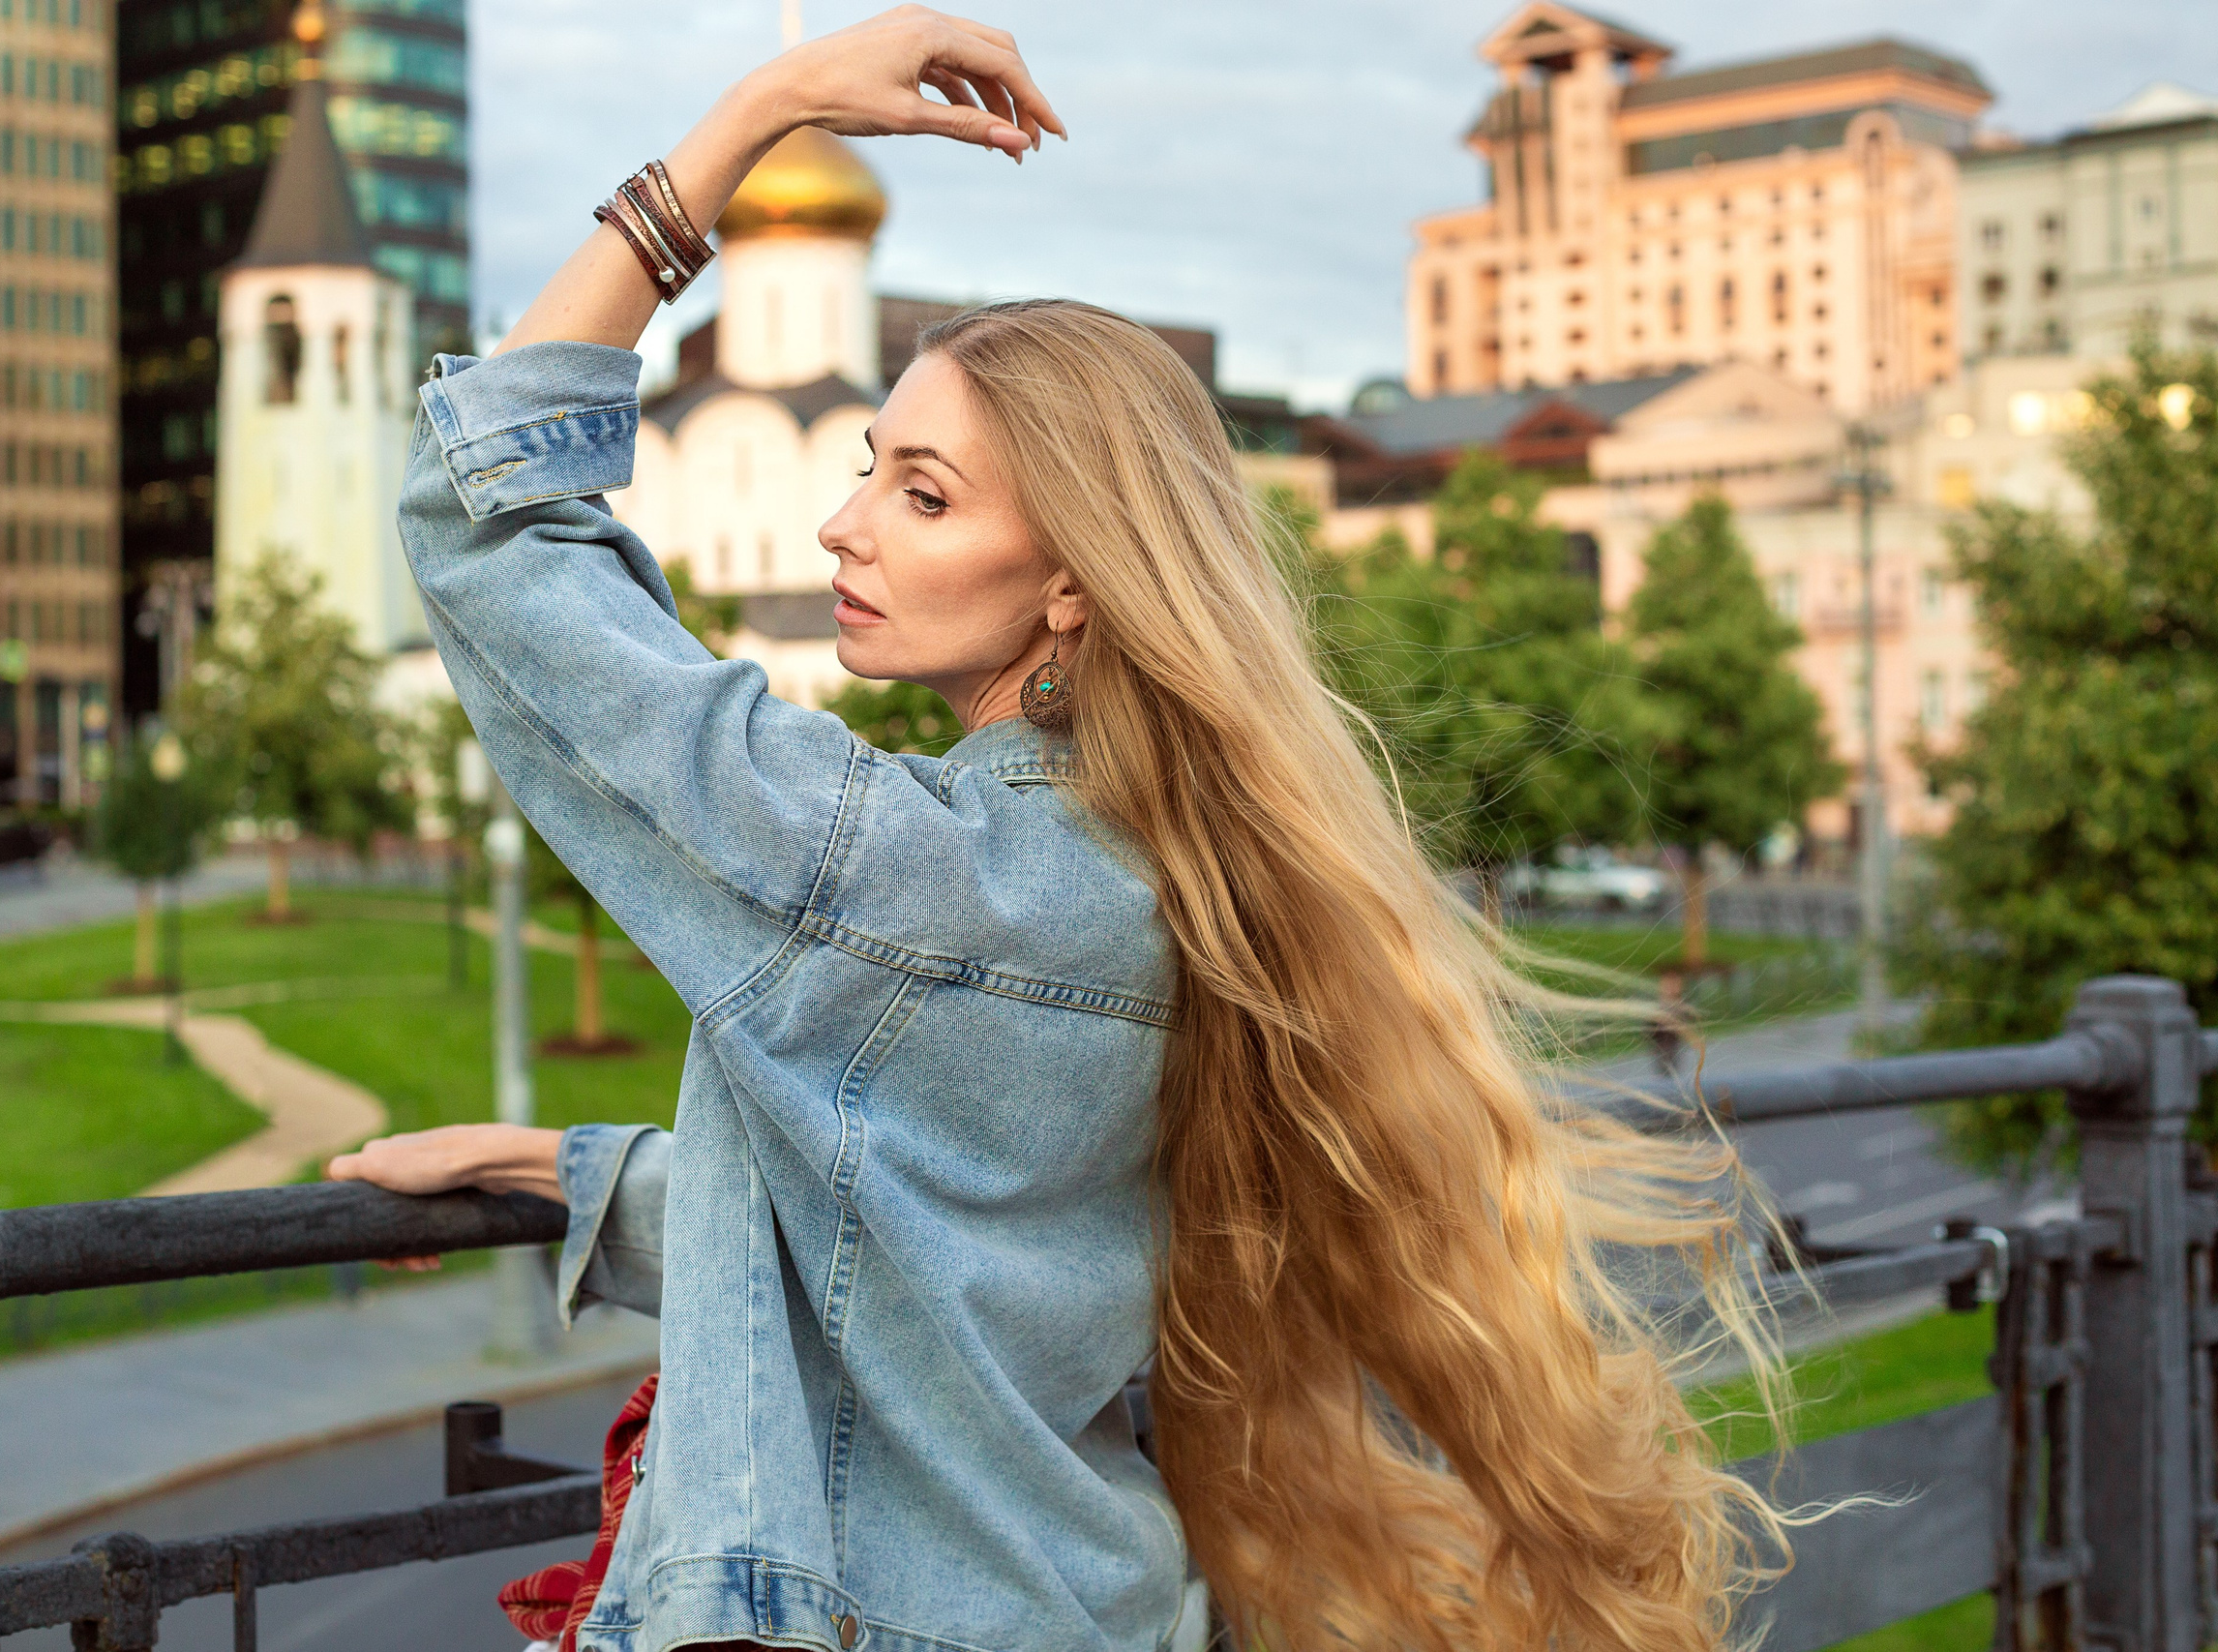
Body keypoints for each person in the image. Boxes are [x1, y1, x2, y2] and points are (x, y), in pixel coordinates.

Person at [329, 9, 1790, 1649]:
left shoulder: (886, 870)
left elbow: (484, 518)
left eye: (923, 495)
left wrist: (755, 120)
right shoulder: (1171, 883)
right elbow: (959, 1246)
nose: (843, 520)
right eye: (873, 467)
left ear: (1076, 578)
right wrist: (555, 1171)